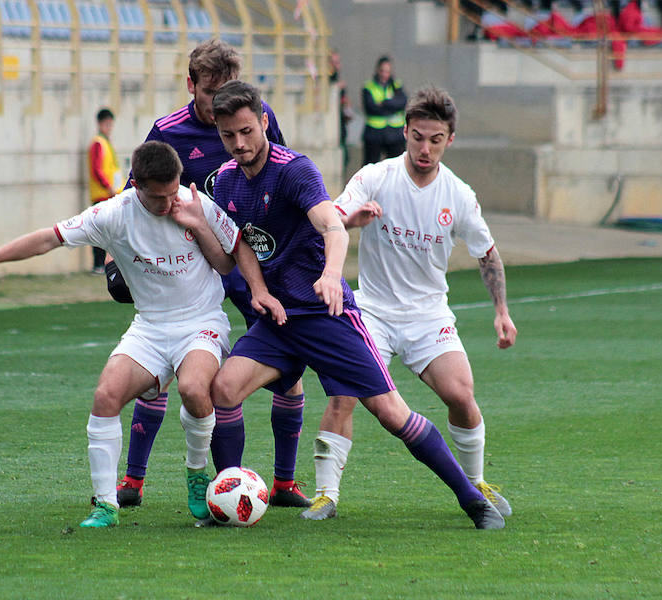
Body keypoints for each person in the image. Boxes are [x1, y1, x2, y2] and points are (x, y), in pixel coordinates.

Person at [207, 79, 504, 530]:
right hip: (280, 319)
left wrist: (329, 276)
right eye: (229, 135)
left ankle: (472, 499)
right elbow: (240, 241)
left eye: (247, 131)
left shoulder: (294, 170)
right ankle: (229, 500)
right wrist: (259, 290)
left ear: (264, 122)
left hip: (328, 316)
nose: (239, 143)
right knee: (223, 389)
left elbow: (332, 226)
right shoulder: (225, 181)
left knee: (391, 413)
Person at [0, 141, 285, 528]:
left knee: (194, 388)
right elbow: (48, 238)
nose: (167, 204)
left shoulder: (197, 204)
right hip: (151, 326)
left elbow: (229, 261)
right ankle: (106, 505)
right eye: (158, 197)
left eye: (172, 192)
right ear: (136, 185)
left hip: (201, 321)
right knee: (106, 395)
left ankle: (196, 474)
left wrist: (197, 224)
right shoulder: (112, 214)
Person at [109, 39, 311, 511]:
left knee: (286, 364)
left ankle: (282, 483)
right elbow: (132, 194)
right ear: (190, 85)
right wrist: (112, 259)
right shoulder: (166, 131)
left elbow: (281, 176)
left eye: (228, 92)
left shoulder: (256, 119)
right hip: (187, 272)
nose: (220, 108)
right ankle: (135, 480)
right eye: (210, 95)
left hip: (246, 258)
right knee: (165, 365)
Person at [301, 87, 517, 522]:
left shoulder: (458, 195)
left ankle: (475, 482)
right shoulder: (375, 177)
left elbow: (487, 253)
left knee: (461, 393)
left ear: (450, 140)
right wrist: (351, 218)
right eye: (417, 136)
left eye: (435, 139)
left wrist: (501, 312)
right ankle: (326, 495)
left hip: (428, 315)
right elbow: (328, 217)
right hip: (373, 312)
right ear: (404, 131)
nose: (425, 147)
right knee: (344, 395)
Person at [87, 107, 119, 275]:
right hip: (102, 194)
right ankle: (98, 264)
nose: (109, 127)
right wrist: (109, 187)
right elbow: (97, 169)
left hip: (109, 194)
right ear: (100, 124)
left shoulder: (106, 142)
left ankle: (105, 264)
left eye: (111, 125)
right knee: (99, 231)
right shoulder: (98, 143)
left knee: (108, 232)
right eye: (107, 124)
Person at [361, 56, 406, 166]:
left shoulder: (396, 85)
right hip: (374, 133)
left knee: (396, 167)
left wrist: (384, 103)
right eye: (382, 71)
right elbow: (371, 108)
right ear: (377, 70)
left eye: (387, 71)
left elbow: (402, 102)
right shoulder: (369, 87)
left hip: (395, 133)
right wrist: (392, 106)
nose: (384, 74)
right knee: (370, 166)